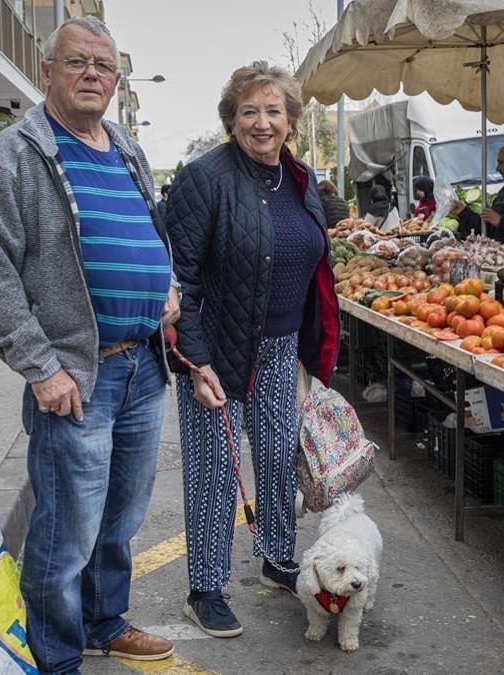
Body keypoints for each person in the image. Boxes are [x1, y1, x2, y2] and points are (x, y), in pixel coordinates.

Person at [0, 16, 179, 673]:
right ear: (48, 72)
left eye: (104, 66)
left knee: (121, 515)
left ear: (116, 80)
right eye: (78, 62)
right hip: (75, 375)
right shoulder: (19, 152)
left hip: (143, 363)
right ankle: (57, 655)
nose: (93, 74)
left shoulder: (124, 146)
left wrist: (165, 282)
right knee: (65, 528)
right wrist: (39, 366)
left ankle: (104, 621)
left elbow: (149, 226)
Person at [164, 60, 339, 639]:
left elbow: (318, 266)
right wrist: (194, 360)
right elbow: (180, 277)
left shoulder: (302, 179)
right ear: (231, 119)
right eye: (249, 112)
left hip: (281, 345)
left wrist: (314, 347)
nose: (262, 123)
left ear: (290, 119)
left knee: (275, 455)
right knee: (214, 472)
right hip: (217, 348)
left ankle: (277, 559)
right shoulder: (205, 178)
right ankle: (205, 588)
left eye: (273, 111)